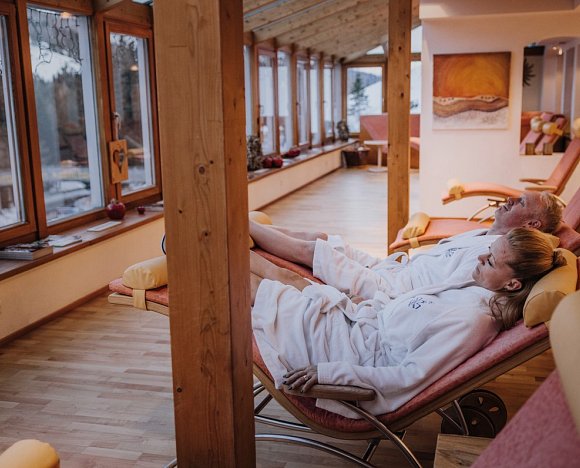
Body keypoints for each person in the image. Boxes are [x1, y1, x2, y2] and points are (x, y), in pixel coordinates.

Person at [251, 228, 566, 418]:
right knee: (285, 278)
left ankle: (222, 241)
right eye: (487, 251)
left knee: (259, 290)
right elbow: (403, 312)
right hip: (357, 327)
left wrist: (329, 372)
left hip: (347, 355)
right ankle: (229, 233)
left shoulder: (472, 321)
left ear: (513, 284)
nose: (479, 258)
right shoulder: (473, 288)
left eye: (491, 260)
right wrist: (368, 305)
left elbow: (407, 377)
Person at [249, 191, 562, 300]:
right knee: (320, 237)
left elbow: (451, 292)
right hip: (393, 269)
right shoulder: (486, 236)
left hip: (390, 289)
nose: (510, 199)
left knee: (312, 253)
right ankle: (253, 228)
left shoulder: (498, 257)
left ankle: (240, 227)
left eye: (521, 202)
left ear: (531, 226)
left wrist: (376, 302)